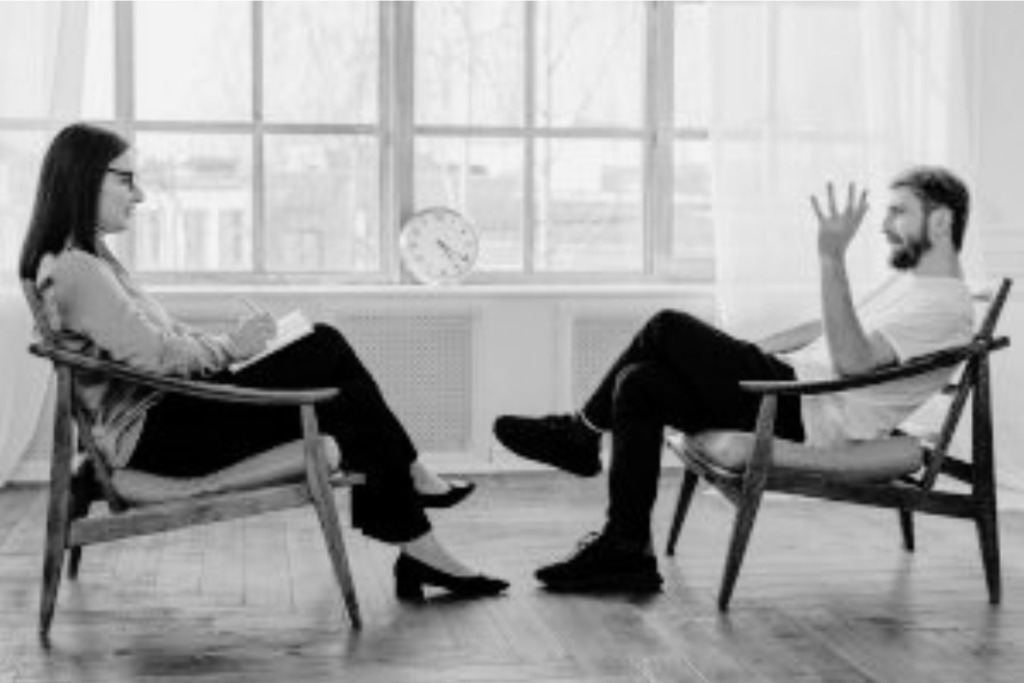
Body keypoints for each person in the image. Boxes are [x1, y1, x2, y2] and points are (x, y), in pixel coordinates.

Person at [20, 122, 507, 602]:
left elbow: (161, 338)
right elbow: (157, 356)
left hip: (167, 418)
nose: (140, 195)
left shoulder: (90, 259)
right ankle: (413, 491)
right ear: (83, 178)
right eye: (126, 179)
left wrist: (238, 345)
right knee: (325, 347)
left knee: (336, 381)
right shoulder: (77, 268)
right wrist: (233, 348)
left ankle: (420, 542)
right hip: (159, 439)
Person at [495, 167, 975, 593]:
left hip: (806, 411)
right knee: (640, 381)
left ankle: (580, 436)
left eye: (898, 213)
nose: (885, 227)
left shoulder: (944, 305)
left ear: (941, 221)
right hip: (792, 390)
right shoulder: (911, 287)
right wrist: (743, 355)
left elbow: (851, 363)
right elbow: (826, 329)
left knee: (667, 326)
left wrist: (831, 258)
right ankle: (626, 548)